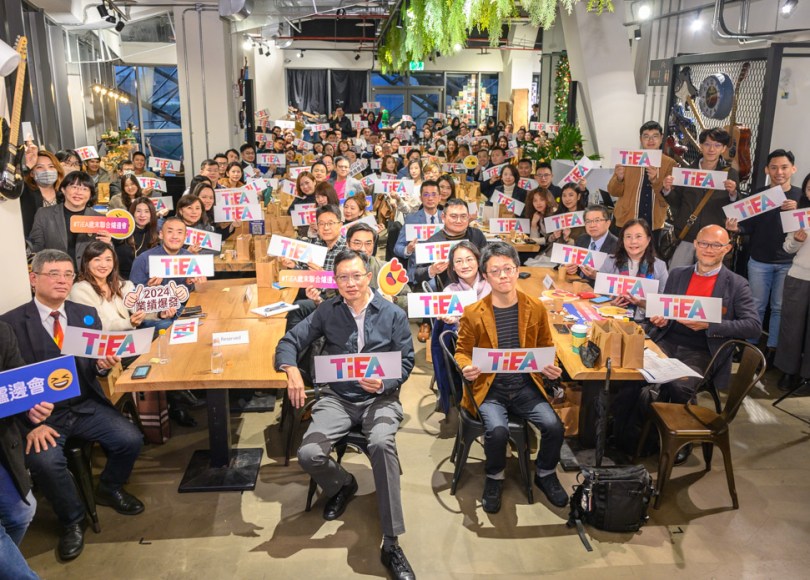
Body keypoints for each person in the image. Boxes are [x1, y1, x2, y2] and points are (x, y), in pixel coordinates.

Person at [275, 249, 416, 580]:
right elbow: (290, 341)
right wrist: (290, 368)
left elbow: (407, 361)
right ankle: (342, 484)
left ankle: (392, 543)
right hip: (337, 398)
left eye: (356, 276)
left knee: (381, 444)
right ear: (334, 281)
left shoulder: (392, 314)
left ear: (368, 277)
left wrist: (385, 382)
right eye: (343, 278)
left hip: (380, 399)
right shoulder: (327, 310)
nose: (350, 283)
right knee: (308, 453)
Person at [0, 250, 145, 562]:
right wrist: (30, 424)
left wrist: (102, 366)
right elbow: (9, 383)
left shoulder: (84, 313)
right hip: (41, 418)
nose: (62, 281)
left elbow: (93, 363)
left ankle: (109, 487)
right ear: (33, 278)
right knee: (45, 462)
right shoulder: (10, 323)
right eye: (53, 274)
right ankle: (73, 519)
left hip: (84, 404)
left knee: (131, 438)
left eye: (68, 274)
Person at [454, 242, 567, 513]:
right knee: (497, 431)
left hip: (525, 386)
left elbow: (545, 345)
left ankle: (545, 472)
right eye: (495, 271)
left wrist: (550, 366)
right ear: (485, 275)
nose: (503, 276)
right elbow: (462, 352)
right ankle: (494, 477)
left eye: (508, 269)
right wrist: (466, 367)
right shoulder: (474, 312)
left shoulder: (535, 307)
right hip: (490, 389)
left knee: (554, 426)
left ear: (517, 270)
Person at [645, 225, 761, 462]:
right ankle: (642, 432)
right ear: (695, 245)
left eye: (716, 245)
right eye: (704, 243)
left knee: (679, 386)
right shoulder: (678, 274)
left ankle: (680, 439)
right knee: (635, 374)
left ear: (727, 249)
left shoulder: (737, 284)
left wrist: (710, 325)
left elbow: (753, 326)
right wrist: (661, 319)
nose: (709, 249)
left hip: (705, 349)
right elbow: (666, 311)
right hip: (668, 340)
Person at [725, 149, 801, 365]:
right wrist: (736, 228)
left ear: (793, 169)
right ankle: (749, 346)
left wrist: (797, 210)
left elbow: (804, 228)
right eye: (774, 167)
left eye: (784, 167)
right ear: (767, 170)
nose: (779, 172)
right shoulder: (758, 195)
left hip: (789, 262)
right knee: (756, 306)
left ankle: (772, 349)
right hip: (759, 260)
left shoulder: (801, 197)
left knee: (779, 307)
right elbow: (747, 226)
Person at [0, 320, 53, 580]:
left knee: (22, 511)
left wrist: (33, 413)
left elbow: (18, 387)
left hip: (2, 444)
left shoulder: (2, 331)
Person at [662, 128, 740, 268]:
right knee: (677, 275)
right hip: (686, 235)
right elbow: (676, 202)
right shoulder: (687, 171)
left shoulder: (730, 173)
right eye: (707, 144)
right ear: (701, 146)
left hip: (713, 241)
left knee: (708, 278)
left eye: (717, 145)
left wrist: (733, 193)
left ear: (723, 149)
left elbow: (736, 207)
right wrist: (667, 190)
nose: (711, 149)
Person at [430, 241, 491, 413]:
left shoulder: (492, 284)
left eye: (469, 259)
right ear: (452, 266)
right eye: (458, 261)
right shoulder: (449, 292)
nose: (465, 265)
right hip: (469, 350)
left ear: (478, 260)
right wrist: (451, 321)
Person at [607, 121, 676, 250]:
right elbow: (613, 191)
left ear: (661, 138)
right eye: (646, 136)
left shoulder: (669, 163)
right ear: (640, 139)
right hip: (626, 220)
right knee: (622, 256)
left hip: (653, 222)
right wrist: (619, 178)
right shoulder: (628, 158)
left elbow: (667, 200)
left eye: (655, 136)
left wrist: (655, 181)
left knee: (649, 258)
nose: (651, 140)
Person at [28, 171, 109, 267]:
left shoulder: (99, 219)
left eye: (85, 189)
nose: (79, 193)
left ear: (91, 194)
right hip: (54, 271)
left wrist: (108, 244)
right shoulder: (44, 214)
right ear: (63, 189)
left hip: (87, 272)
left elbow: (106, 255)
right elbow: (36, 248)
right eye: (74, 187)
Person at [599, 219, 669, 321]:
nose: (633, 241)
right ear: (622, 240)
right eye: (628, 237)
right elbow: (598, 296)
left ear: (648, 239)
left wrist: (643, 304)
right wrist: (609, 304)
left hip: (644, 324)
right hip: (611, 319)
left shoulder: (660, 266)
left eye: (638, 236)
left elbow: (664, 305)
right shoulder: (610, 261)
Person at [70, 241, 149, 330]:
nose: (104, 265)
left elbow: (141, 309)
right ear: (86, 263)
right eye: (97, 260)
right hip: (99, 338)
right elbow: (97, 324)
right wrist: (129, 323)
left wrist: (159, 314)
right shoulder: (80, 289)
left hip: (129, 336)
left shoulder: (121, 285)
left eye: (108, 260)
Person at [410, 198, 488, 288]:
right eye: (453, 216)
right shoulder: (433, 242)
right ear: (443, 217)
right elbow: (417, 274)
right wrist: (432, 270)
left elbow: (487, 261)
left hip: (480, 286)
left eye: (463, 216)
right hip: (450, 290)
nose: (459, 221)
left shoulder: (477, 235)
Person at [775, 198, 810, 391]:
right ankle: (787, 371)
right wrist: (797, 240)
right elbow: (787, 248)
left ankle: (807, 376)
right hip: (798, 277)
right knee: (791, 327)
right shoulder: (799, 216)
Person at [394, 180, 444, 262]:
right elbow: (397, 247)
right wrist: (408, 249)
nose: (430, 198)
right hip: (418, 265)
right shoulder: (411, 219)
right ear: (421, 198)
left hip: (443, 263)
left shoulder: (448, 218)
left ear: (439, 198)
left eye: (434, 194)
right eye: (426, 195)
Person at [566, 205, 620, 279]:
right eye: (588, 221)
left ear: (608, 223)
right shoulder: (582, 239)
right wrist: (569, 268)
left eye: (597, 220)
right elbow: (571, 263)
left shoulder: (618, 246)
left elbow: (617, 278)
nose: (592, 225)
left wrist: (597, 277)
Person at [21, 150, 65, 238]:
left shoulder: (64, 194)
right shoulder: (25, 192)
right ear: (32, 173)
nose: (47, 170)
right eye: (39, 167)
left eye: (51, 166)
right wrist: (27, 166)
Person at [115, 196, 160, 279]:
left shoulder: (154, 235)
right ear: (132, 213)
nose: (142, 215)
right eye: (138, 211)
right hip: (121, 279)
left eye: (146, 211)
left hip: (145, 280)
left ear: (152, 215)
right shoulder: (121, 231)